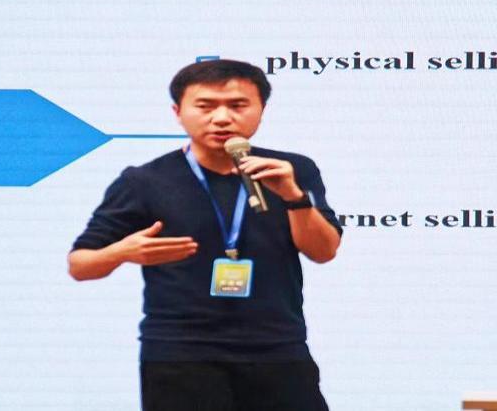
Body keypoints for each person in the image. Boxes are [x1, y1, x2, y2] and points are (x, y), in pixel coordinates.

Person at [68, 59, 342, 411]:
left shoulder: (292, 170)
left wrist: (293, 196)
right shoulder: (144, 181)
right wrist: (122, 252)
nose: (222, 118)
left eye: (238, 105)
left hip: (277, 348)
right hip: (180, 355)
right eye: (206, 106)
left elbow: (324, 251)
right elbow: (80, 265)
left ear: (261, 110)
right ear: (178, 112)